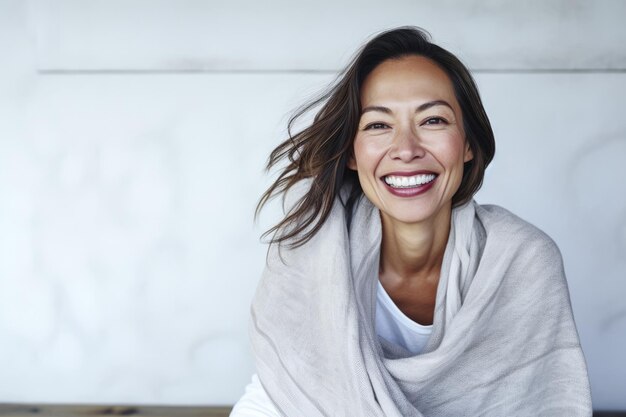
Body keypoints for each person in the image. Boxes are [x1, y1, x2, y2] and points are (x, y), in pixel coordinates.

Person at [231, 27, 592, 416]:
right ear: (352, 153)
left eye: (433, 121)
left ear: (468, 143)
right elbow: (277, 394)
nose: (406, 149)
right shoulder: (308, 253)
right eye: (378, 125)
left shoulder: (522, 261)